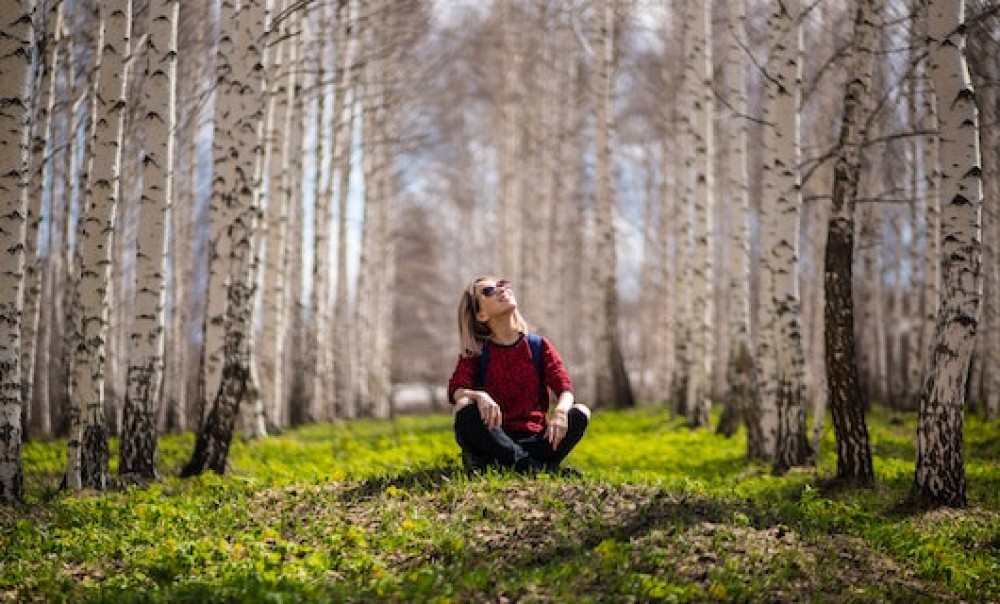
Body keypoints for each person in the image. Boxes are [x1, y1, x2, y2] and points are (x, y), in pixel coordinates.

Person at [447, 275, 591, 475]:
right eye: (488, 291)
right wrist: (479, 396)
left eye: (502, 285)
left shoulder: (538, 346)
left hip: (536, 439)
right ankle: (538, 469)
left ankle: (520, 465)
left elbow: (564, 388)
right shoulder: (476, 352)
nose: (500, 290)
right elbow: (456, 390)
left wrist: (559, 412)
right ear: (481, 315)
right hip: (494, 437)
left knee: (580, 412)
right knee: (464, 407)